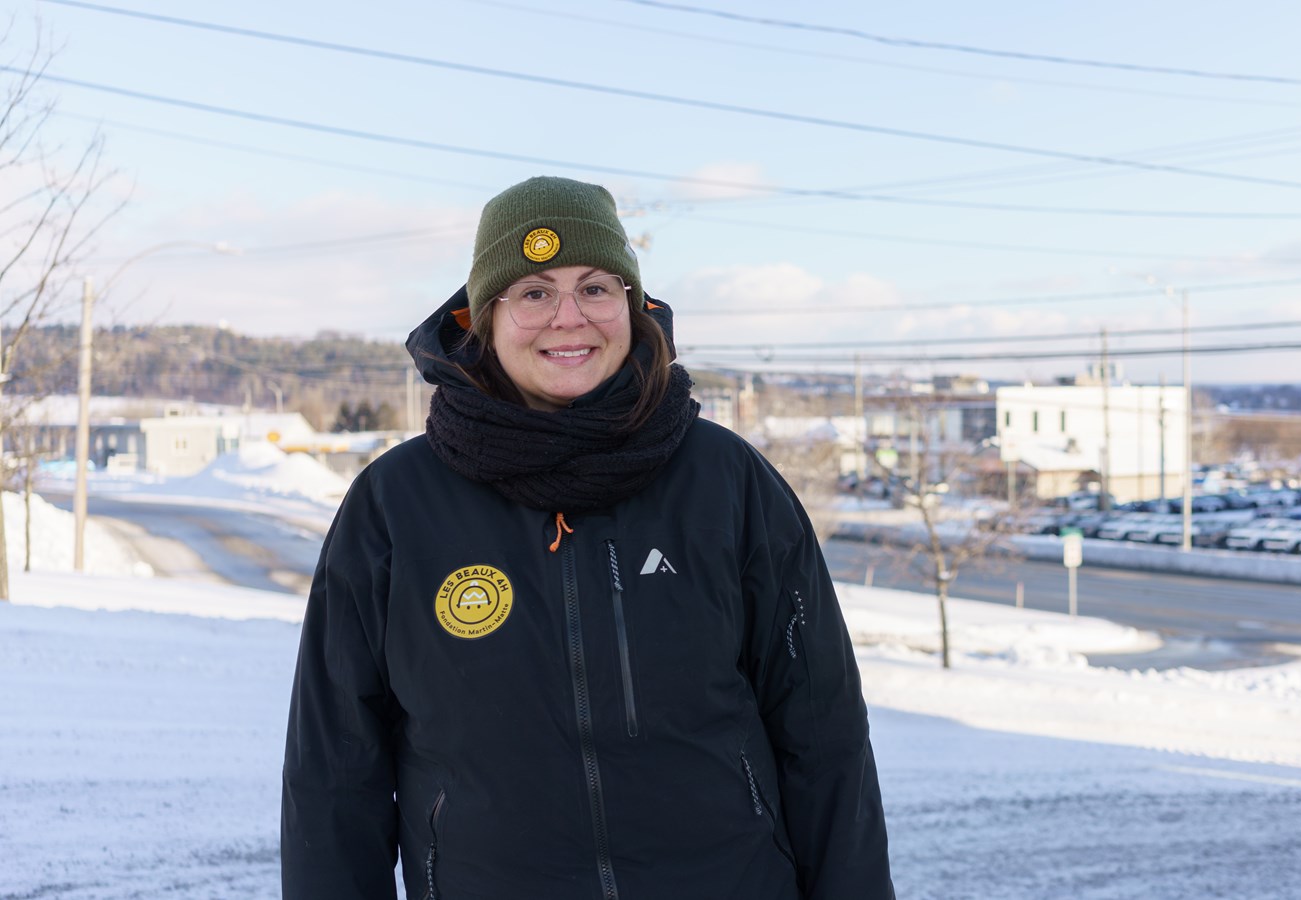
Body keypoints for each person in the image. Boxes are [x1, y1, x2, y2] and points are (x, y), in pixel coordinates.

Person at [281, 175, 895, 899]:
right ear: (480, 318)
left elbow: (823, 740)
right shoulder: (395, 504)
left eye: (597, 288)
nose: (569, 318)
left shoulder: (726, 482)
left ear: (633, 309)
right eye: (534, 292)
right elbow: (334, 773)